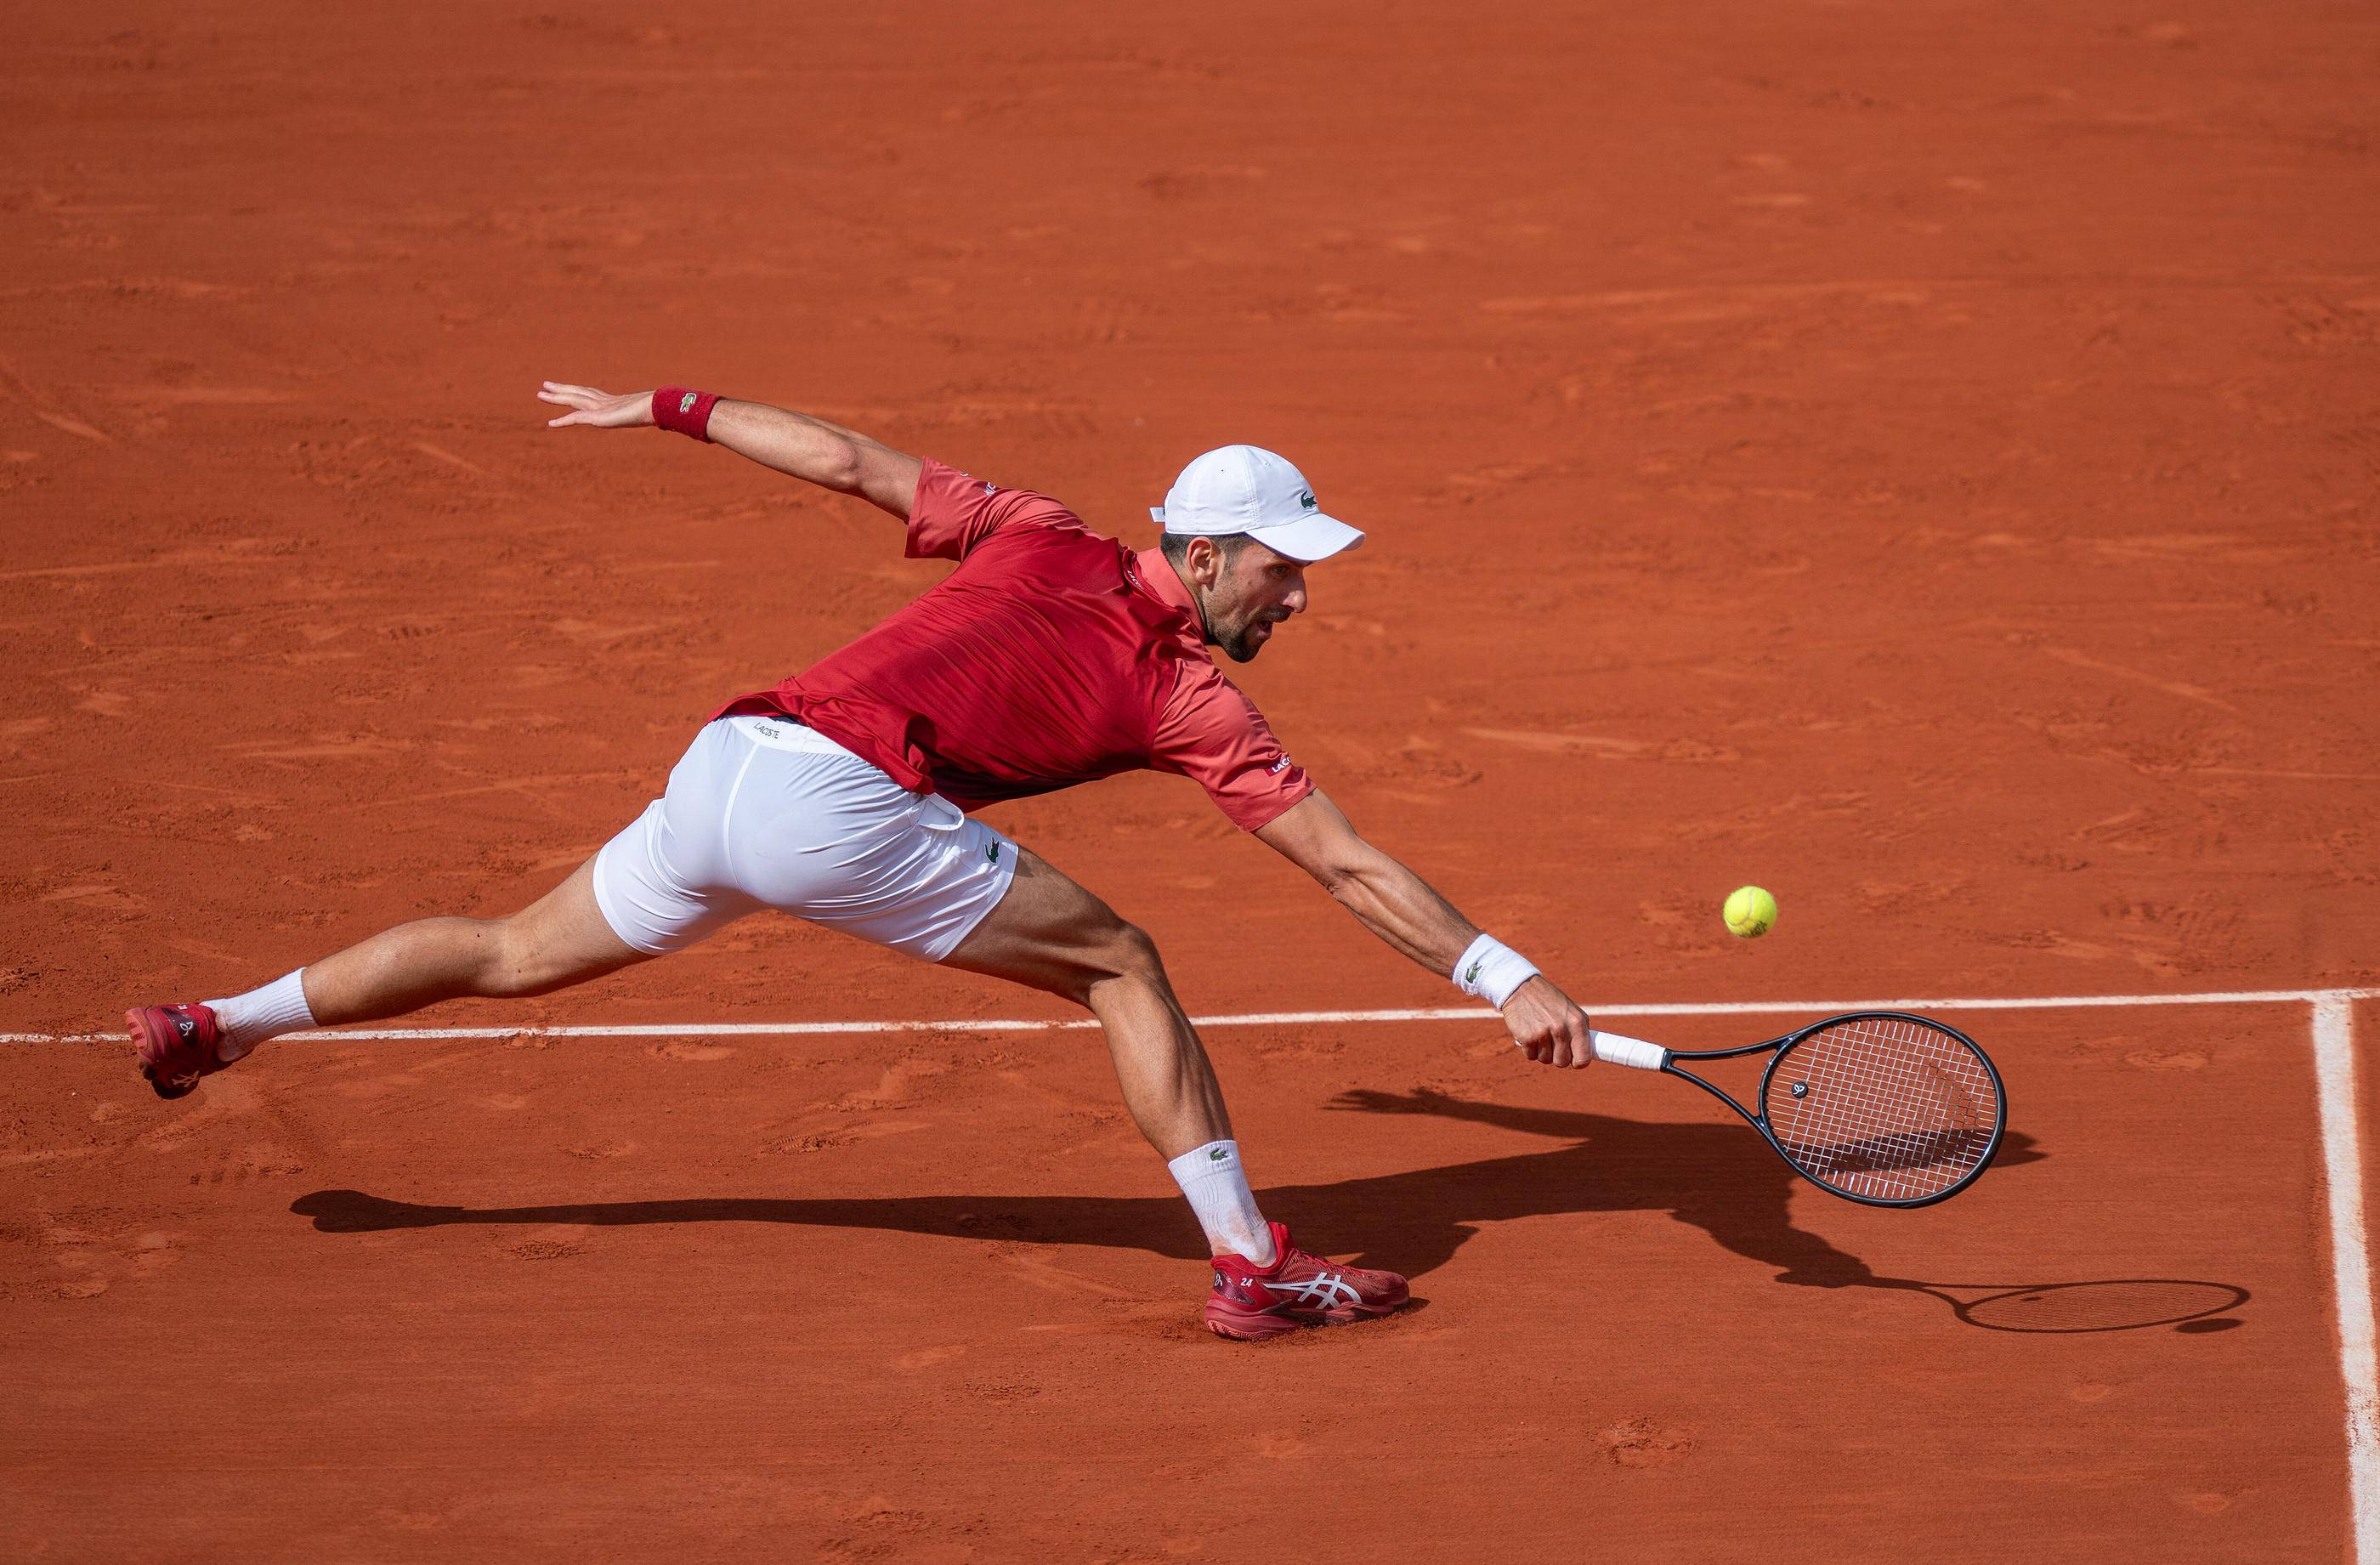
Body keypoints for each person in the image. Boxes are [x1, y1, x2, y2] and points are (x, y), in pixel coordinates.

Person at [125, 382, 1601, 1341]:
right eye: (1284, 566)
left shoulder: (1036, 532)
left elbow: (839, 460)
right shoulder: (1186, 692)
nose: (1298, 594)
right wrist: (1503, 972)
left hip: (731, 761)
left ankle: (215, 1024)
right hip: (839, 799)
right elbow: (1342, 865)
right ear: (1207, 555)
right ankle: (1248, 1267)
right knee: (1122, 961)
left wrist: (670, 405)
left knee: (514, 950)